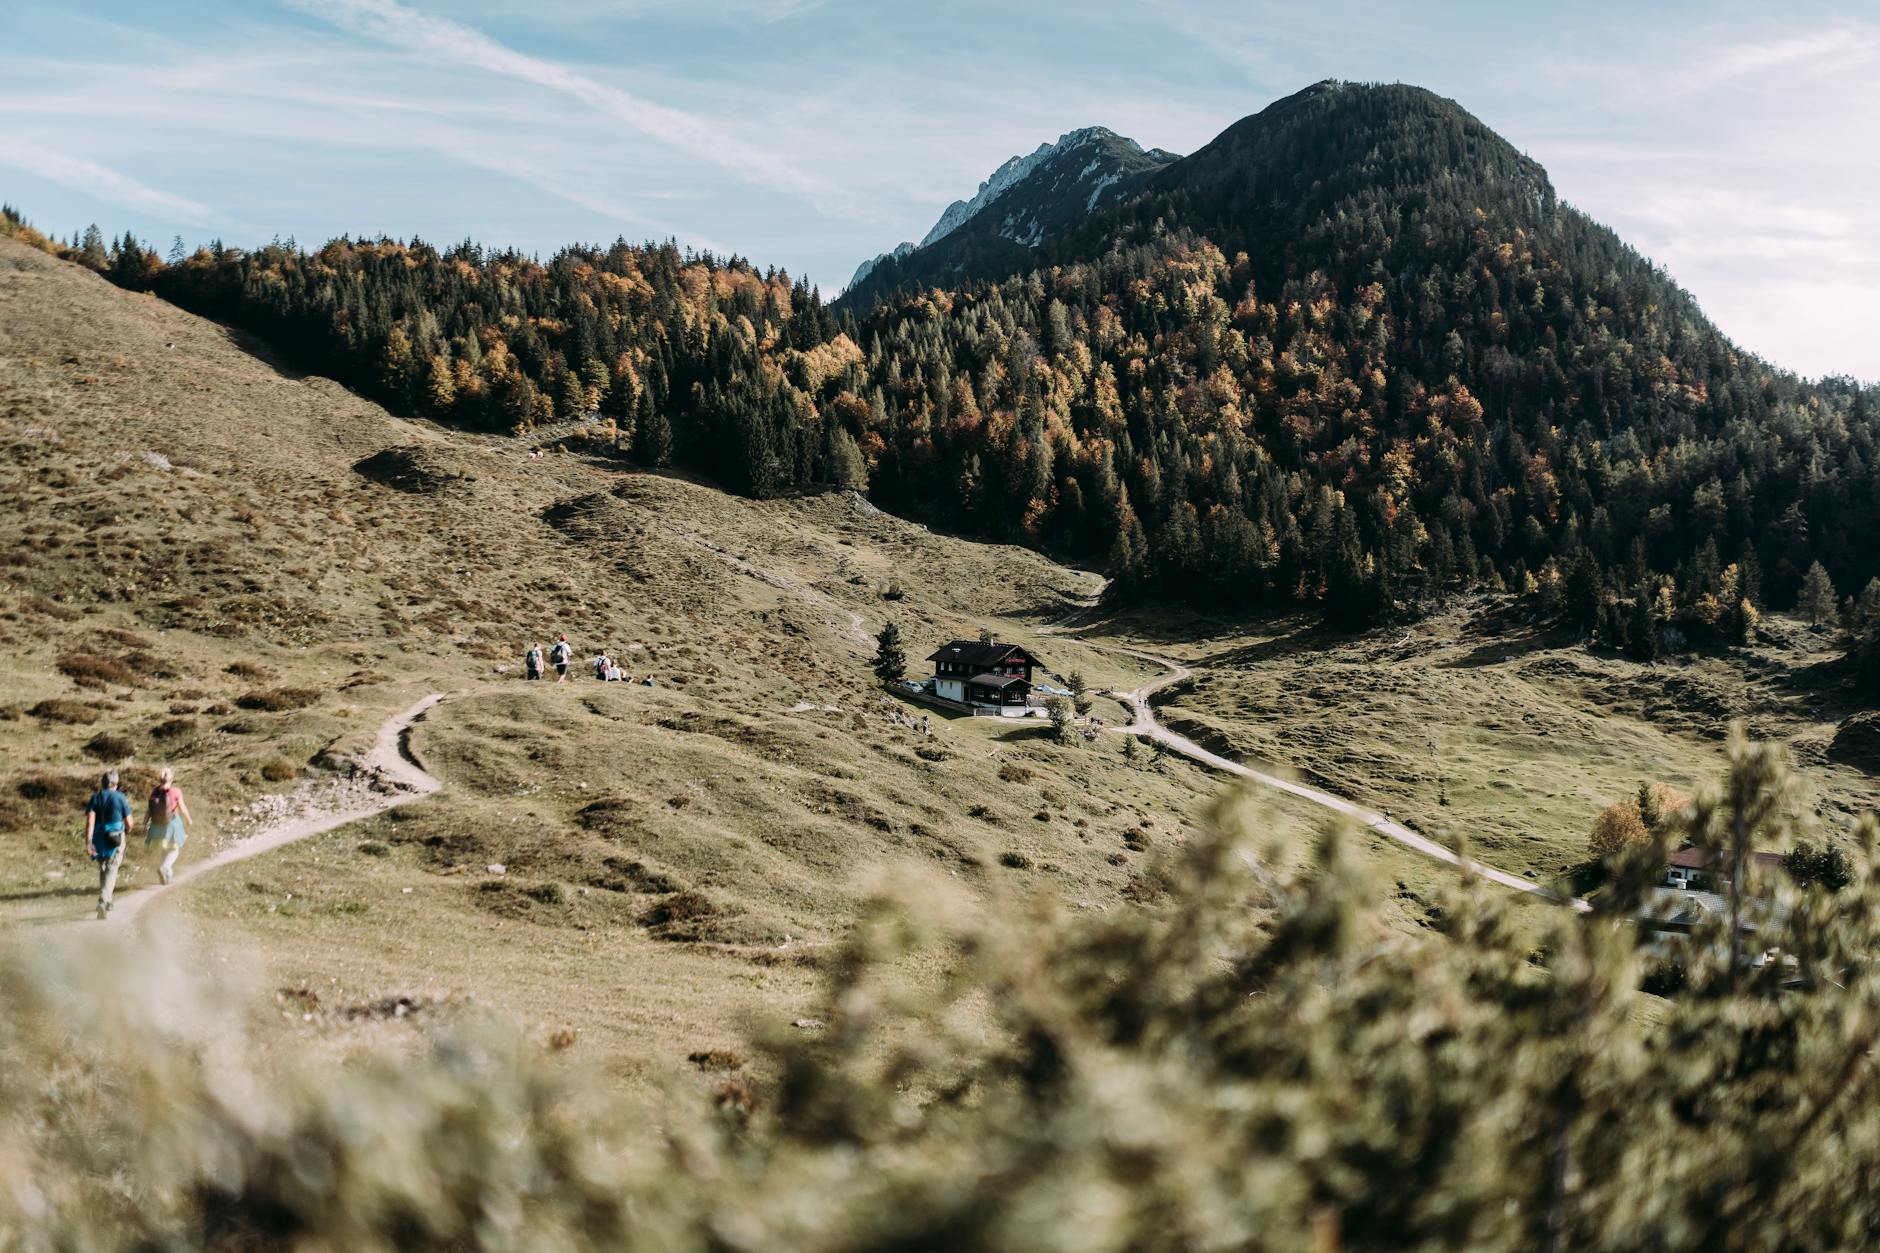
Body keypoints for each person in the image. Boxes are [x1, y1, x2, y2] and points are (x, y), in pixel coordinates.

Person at [84, 769, 133, 919]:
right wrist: (127, 831)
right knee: (112, 867)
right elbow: (129, 822)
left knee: (103, 867)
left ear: (103, 783)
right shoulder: (121, 797)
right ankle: (103, 900)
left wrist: (89, 840)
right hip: (115, 836)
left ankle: (108, 899)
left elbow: (90, 820)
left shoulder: (95, 797)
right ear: (116, 783)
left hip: (99, 836)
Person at [145, 766, 192, 885]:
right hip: (171, 824)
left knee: (164, 850)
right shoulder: (175, 791)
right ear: (172, 778)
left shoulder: (155, 791)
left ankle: (167, 877)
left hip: (156, 826)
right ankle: (165, 868)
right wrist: (189, 819)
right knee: (174, 850)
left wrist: (144, 822)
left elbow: (149, 810)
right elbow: (182, 807)